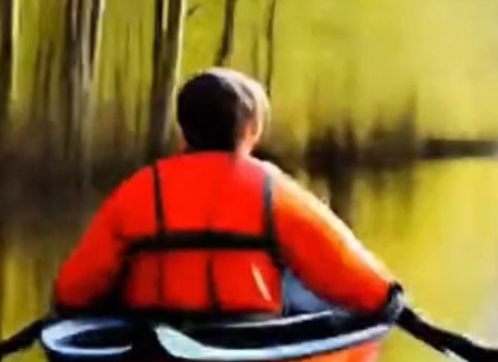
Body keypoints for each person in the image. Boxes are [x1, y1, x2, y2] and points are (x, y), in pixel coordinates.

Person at [52, 68, 405, 319]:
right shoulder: (272, 189)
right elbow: (339, 261)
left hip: (151, 328)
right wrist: (389, 299)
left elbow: (72, 290)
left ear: (183, 129)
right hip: (246, 333)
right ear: (250, 130)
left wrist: (74, 308)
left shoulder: (139, 189)